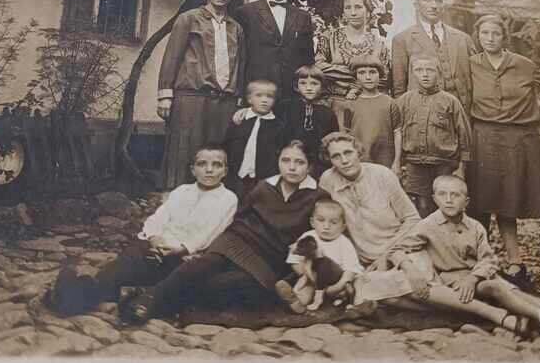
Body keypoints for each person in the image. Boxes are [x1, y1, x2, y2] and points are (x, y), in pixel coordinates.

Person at [367, 176, 540, 344]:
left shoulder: (475, 227)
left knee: (514, 292)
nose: (449, 200)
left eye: (456, 195)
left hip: (478, 279)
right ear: (434, 199)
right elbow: (398, 249)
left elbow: (489, 260)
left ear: (466, 201)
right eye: (443, 195)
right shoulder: (427, 226)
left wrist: (474, 277)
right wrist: (409, 267)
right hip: (453, 285)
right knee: (497, 287)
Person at [119, 141, 332, 324]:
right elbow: (241, 218)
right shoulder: (264, 187)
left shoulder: (317, 197)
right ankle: (150, 301)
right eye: (286, 161)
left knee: (225, 286)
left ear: (310, 166)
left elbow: (320, 237)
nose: (292, 168)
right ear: (278, 162)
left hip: (271, 260)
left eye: (300, 162)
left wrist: (298, 269)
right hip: (238, 242)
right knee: (204, 264)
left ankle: (143, 294)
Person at [466, 14, 540, 291]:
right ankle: (516, 265)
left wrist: (539, 118)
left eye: (495, 33)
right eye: (485, 33)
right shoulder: (471, 65)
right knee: (502, 205)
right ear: (478, 36)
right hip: (486, 141)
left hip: (524, 140)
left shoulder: (523, 64)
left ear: (503, 37)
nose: (490, 38)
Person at [45, 146, 237, 316]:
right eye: (202, 164)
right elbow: (159, 218)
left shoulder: (228, 199)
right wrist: (154, 238)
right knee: (125, 264)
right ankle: (78, 293)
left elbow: (208, 233)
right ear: (193, 169)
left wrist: (177, 250)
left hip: (182, 257)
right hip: (155, 247)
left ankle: (69, 297)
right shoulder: (182, 191)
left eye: (217, 165)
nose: (209, 170)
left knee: (144, 272)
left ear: (225, 171)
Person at [157, 0, 245, 190]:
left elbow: (240, 65)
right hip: (192, 98)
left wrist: (240, 98)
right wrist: (165, 95)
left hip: (225, 101)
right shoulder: (188, 18)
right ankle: (177, 206)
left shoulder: (236, 28)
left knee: (217, 157)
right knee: (186, 154)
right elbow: (172, 57)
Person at [317, 132, 421, 267]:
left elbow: (412, 219)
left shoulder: (382, 175)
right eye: (336, 156)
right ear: (329, 160)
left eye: (348, 153)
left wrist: (389, 253)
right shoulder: (328, 180)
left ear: (358, 153)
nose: (344, 161)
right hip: (360, 261)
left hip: (398, 250)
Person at [395, 56, 472, 216]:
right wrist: (398, 163)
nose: (425, 75)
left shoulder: (450, 101)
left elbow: (464, 134)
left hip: (443, 164)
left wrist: (462, 167)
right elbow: (396, 133)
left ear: (438, 73)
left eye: (430, 70)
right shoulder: (404, 101)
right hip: (414, 164)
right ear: (413, 73)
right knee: (419, 207)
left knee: (446, 205)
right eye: (419, 70)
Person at [231, 0, 315, 95]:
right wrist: (240, 92)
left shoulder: (303, 16)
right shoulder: (246, 12)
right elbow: (238, 56)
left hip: (292, 93)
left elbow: (308, 59)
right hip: (257, 91)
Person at [391, 0, 476, 110]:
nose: (434, 5)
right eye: (428, 0)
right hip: (424, 113)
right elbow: (399, 87)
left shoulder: (463, 39)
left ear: (443, 6)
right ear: (416, 5)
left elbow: (477, 78)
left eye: (438, 1)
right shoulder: (402, 40)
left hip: (462, 111)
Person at [315, 0, 391, 120]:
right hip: (333, 104)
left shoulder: (378, 44)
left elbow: (384, 78)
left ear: (368, 12)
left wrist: (354, 84)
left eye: (358, 7)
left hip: (367, 105)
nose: (353, 13)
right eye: (348, 8)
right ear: (343, 12)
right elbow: (318, 66)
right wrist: (359, 74)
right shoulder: (329, 37)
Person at [276, 199, 363, 313]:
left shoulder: (343, 243)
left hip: (336, 281)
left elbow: (351, 269)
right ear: (312, 222)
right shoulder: (308, 237)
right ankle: (297, 301)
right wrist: (305, 274)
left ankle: (344, 300)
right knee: (307, 289)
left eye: (334, 222)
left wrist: (337, 286)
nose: (326, 226)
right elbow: (294, 259)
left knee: (350, 287)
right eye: (321, 220)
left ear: (342, 227)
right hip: (312, 280)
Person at [223, 79, 286, 202]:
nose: (264, 100)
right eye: (259, 95)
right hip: (236, 174)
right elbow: (227, 144)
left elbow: (279, 152)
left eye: (270, 96)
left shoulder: (278, 126)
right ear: (249, 99)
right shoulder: (239, 120)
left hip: (262, 176)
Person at [274, 65, 340, 179]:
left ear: (322, 87)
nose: (309, 88)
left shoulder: (327, 113)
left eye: (314, 84)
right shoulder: (285, 107)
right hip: (288, 160)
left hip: (316, 165)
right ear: (296, 86)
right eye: (303, 83)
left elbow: (330, 142)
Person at [340, 56, 402, 171]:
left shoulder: (390, 102)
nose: (368, 77)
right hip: (360, 161)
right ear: (356, 76)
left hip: (385, 162)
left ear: (380, 75)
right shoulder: (350, 104)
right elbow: (346, 135)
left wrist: (397, 162)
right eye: (362, 73)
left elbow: (397, 134)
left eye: (372, 72)